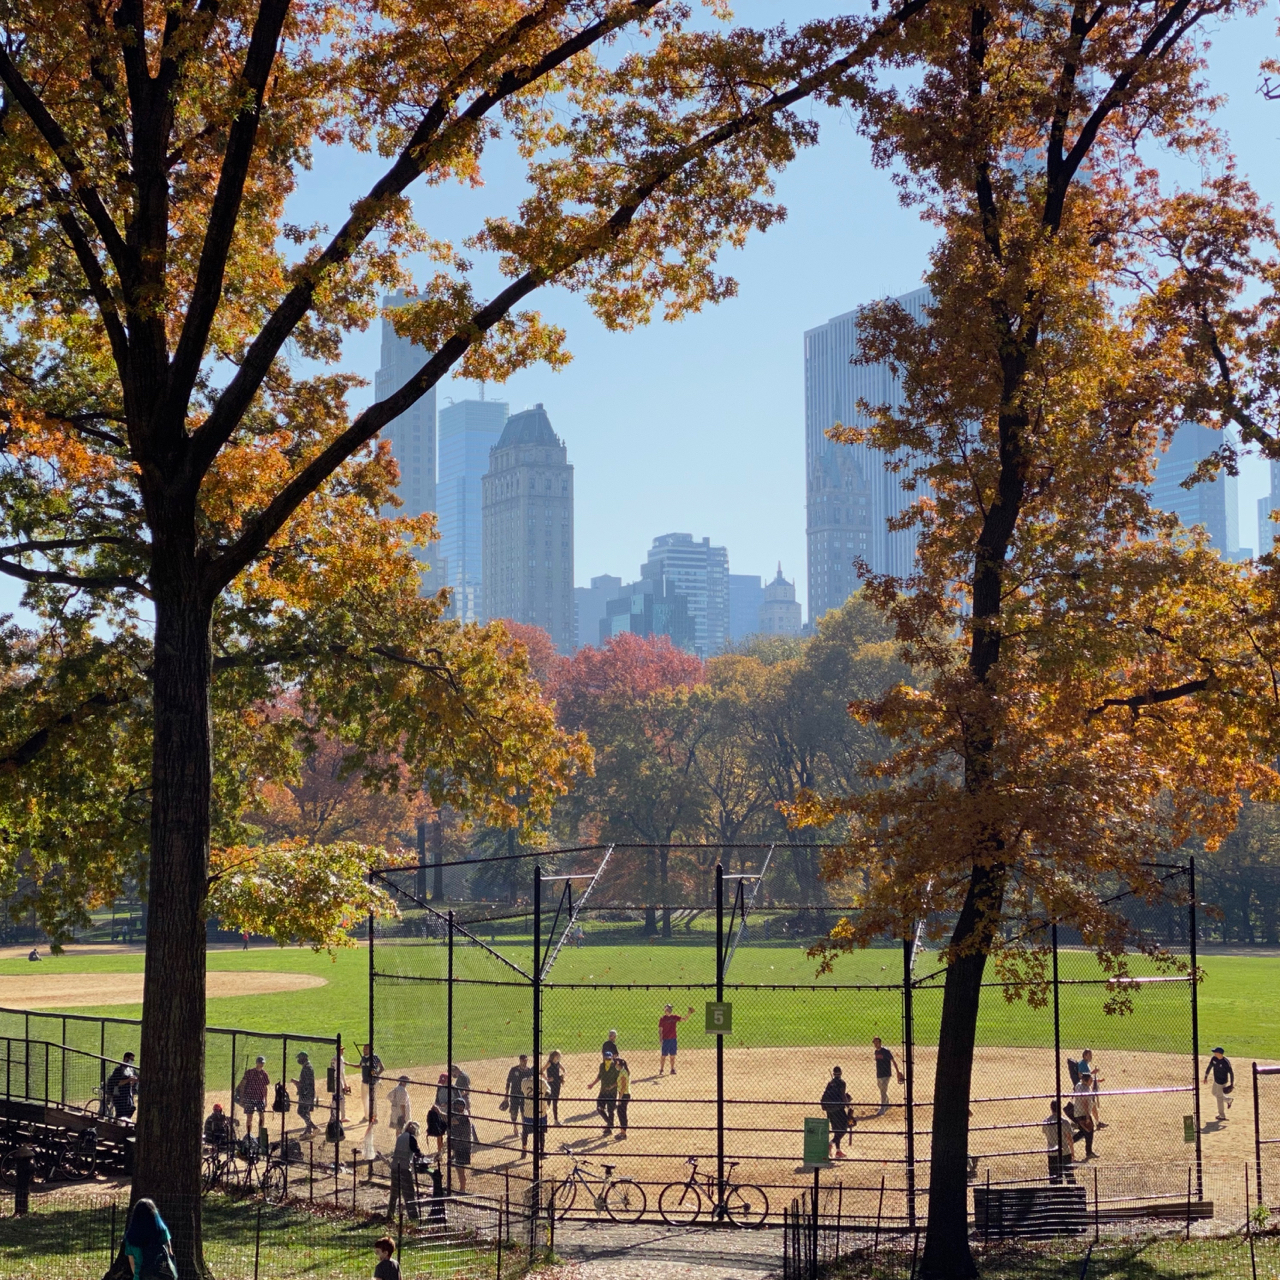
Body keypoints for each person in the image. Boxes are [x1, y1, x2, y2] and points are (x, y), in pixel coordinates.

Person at [123, 1197, 176, 1279]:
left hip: (140, 1276)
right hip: (160, 1275)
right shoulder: (162, 1230)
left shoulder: (130, 1236)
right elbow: (170, 1253)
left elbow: (132, 1263)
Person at [388, 1121, 422, 1220]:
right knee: (409, 1193)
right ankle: (413, 1217)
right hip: (404, 1168)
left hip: (395, 1167)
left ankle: (390, 1214)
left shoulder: (400, 1136)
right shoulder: (411, 1138)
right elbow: (416, 1151)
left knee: (394, 1193)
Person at [821, 1067, 853, 1160]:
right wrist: (848, 1105)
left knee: (836, 1130)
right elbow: (842, 1096)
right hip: (838, 1109)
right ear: (841, 1073)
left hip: (829, 1110)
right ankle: (830, 1144)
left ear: (834, 1073)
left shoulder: (830, 1083)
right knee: (843, 1129)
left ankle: (838, 1150)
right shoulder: (842, 1083)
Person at [1043, 1101, 1076, 1185]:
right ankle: (1073, 1193)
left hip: (1052, 1152)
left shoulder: (1046, 1122)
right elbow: (1069, 1138)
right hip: (1064, 1152)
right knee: (1069, 1175)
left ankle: (1055, 1194)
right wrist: (1072, 1152)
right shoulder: (1065, 1122)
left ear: (1051, 1108)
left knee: (1054, 1176)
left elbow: (1045, 1133)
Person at [520, 1067, 549, 1159]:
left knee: (525, 1132)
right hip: (540, 1112)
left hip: (528, 1113)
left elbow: (523, 1091)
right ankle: (541, 1151)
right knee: (541, 1133)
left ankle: (524, 1149)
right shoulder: (542, 1082)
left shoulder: (524, 1082)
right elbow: (548, 1092)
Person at [659, 1005, 695, 1075]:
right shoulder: (662, 1018)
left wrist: (689, 1013)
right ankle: (661, 1069)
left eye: (670, 1009)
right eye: (668, 1009)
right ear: (665, 1010)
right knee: (663, 1055)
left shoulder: (674, 1017)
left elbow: (684, 1019)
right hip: (665, 1039)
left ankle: (672, 1069)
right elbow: (660, 1030)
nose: (669, 1010)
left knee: (672, 1055)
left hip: (673, 1039)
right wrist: (660, 1039)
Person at [591, 1050, 621, 1136]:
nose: (607, 1060)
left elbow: (619, 1080)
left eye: (609, 1058)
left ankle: (609, 1127)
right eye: (606, 1058)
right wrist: (592, 1084)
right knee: (599, 1108)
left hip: (612, 1092)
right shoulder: (601, 1066)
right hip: (603, 1091)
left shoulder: (615, 1068)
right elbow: (599, 1076)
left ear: (612, 1058)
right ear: (603, 1058)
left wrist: (612, 1086)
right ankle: (610, 1123)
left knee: (610, 1110)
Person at [872, 1037, 904, 1116]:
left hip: (886, 1074)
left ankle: (883, 1108)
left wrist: (897, 1072)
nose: (875, 1044)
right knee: (881, 1088)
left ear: (880, 1042)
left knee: (883, 1091)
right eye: (874, 1043)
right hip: (879, 1074)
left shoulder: (886, 1051)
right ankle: (887, 1102)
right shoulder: (876, 1052)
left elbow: (893, 1061)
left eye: (876, 1042)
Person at [238, 1055, 270, 1134]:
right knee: (249, 1117)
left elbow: (265, 1087)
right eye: (260, 1063)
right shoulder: (250, 1072)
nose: (261, 1064)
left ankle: (261, 1133)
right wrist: (242, 1097)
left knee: (261, 1116)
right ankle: (249, 1134)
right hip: (249, 1097)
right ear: (257, 1063)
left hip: (260, 1098)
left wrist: (266, 1099)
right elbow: (243, 1085)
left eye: (262, 1063)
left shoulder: (264, 1074)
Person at [450, 1098, 475, 1193]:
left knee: (460, 1168)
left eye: (456, 1106)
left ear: (460, 1107)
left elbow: (451, 1121)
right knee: (458, 1167)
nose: (454, 1108)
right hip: (458, 1145)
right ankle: (461, 1188)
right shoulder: (459, 1115)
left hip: (463, 1146)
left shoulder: (463, 1117)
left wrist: (439, 1113)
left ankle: (463, 1189)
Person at [1072, 1064, 1098, 1159]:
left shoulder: (1078, 1085)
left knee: (1083, 1131)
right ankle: (1089, 1152)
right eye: (1090, 1080)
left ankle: (1069, 1141)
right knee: (1089, 1131)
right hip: (1083, 1114)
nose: (1092, 1081)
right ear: (1086, 1081)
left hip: (1077, 1112)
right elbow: (1085, 1104)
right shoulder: (1086, 1089)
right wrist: (1087, 1117)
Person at [502, 1055, 530, 1138]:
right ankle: (515, 1128)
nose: (524, 1062)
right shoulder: (514, 1070)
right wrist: (506, 1095)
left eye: (526, 1061)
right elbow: (508, 1082)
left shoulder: (528, 1071)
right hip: (514, 1094)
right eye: (523, 1061)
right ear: (520, 1060)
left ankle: (524, 1128)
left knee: (523, 1112)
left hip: (524, 1095)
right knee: (514, 1112)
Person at [1205, 1046, 1235, 1121]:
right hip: (1216, 1080)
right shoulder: (1214, 1059)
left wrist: (1231, 1084)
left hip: (1222, 1082)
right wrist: (1206, 1076)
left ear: (1219, 1053)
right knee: (1214, 1092)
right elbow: (1210, 1066)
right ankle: (1228, 1100)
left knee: (1219, 1098)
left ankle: (1222, 1115)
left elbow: (1231, 1073)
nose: (1214, 1053)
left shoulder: (1225, 1062)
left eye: (1215, 1052)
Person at [107, 1052, 139, 1120]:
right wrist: (129, 1080)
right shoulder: (119, 1069)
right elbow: (116, 1083)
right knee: (121, 1114)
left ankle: (123, 1123)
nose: (132, 1061)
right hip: (119, 1095)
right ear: (125, 1059)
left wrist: (135, 1080)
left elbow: (137, 1077)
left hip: (128, 1095)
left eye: (133, 1060)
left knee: (131, 1108)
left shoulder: (131, 1069)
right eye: (131, 1059)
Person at [292, 1051, 317, 1135]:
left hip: (306, 1094)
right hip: (307, 1093)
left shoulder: (307, 1068)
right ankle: (308, 1130)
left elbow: (306, 1083)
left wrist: (297, 1083)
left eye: (299, 1058)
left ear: (303, 1058)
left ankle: (313, 1127)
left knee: (301, 1111)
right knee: (306, 1112)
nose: (298, 1060)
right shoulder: (307, 1067)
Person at [360, 1043, 385, 1123]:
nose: (364, 1051)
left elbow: (382, 1067)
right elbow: (360, 1066)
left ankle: (374, 1116)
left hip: (373, 1082)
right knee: (364, 1099)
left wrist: (376, 1074)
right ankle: (367, 1115)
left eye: (366, 1049)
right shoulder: (363, 1058)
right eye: (364, 1049)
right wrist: (349, 1064)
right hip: (364, 1081)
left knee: (373, 1099)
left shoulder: (375, 1057)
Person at [1080, 1049, 1106, 1128]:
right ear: (1085, 1056)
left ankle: (1097, 1122)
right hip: (1084, 1088)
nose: (1091, 1057)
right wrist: (1093, 1072)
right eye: (1089, 1055)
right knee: (1090, 1105)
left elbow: (1089, 1077)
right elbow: (1082, 1076)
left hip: (1087, 1087)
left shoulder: (1086, 1064)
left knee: (1092, 1105)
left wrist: (1098, 1080)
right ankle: (1097, 1123)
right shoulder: (1082, 1064)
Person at [427, 1073, 449, 1155]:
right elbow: (437, 1100)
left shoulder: (453, 1088)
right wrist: (436, 1106)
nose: (442, 1083)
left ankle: (452, 1153)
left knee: (451, 1134)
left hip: (450, 1113)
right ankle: (440, 1152)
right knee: (439, 1133)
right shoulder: (439, 1088)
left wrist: (447, 1104)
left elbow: (458, 1102)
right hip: (440, 1114)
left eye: (444, 1081)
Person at [546, 1051, 565, 1126]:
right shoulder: (549, 1063)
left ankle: (556, 1120)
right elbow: (541, 1071)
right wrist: (547, 1079)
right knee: (548, 1102)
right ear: (554, 1056)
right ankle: (544, 1119)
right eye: (558, 1056)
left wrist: (563, 1075)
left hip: (557, 1084)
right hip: (550, 1085)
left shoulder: (558, 1063)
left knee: (555, 1102)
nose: (559, 1057)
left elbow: (564, 1070)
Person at [615, 1056, 631, 1140]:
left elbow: (623, 1087)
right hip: (623, 1094)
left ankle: (623, 1133)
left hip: (624, 1095)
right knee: (620, 1112)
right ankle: (622, 1131)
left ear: (618, 1064)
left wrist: (619, 1099)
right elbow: (620, 1083)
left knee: (622, 1113)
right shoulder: (622, 1071)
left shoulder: (623, 1072)